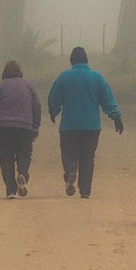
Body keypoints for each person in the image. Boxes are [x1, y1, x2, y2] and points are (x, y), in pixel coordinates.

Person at [47, 46, 122, 199]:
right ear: (87, 60)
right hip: (91, 126)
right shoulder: (97, 77)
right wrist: (116, 117)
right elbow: (107, 100)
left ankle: (70, 172)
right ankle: (85, 191)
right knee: (88, 157)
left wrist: (53, 112)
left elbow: (54, 97)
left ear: (71, 61)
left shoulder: (64, 77)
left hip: (69, 126)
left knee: (69, 153)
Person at [0, 60, 42, 199]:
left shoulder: (0, 86)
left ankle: (11, 189)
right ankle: (22, 173)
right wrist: (35, 126)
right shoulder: (29, 86)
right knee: (24, 153)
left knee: (6, 158)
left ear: (5, 72)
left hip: (3, 128)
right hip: (24, 127)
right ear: (19, 71)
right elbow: (37, 106)